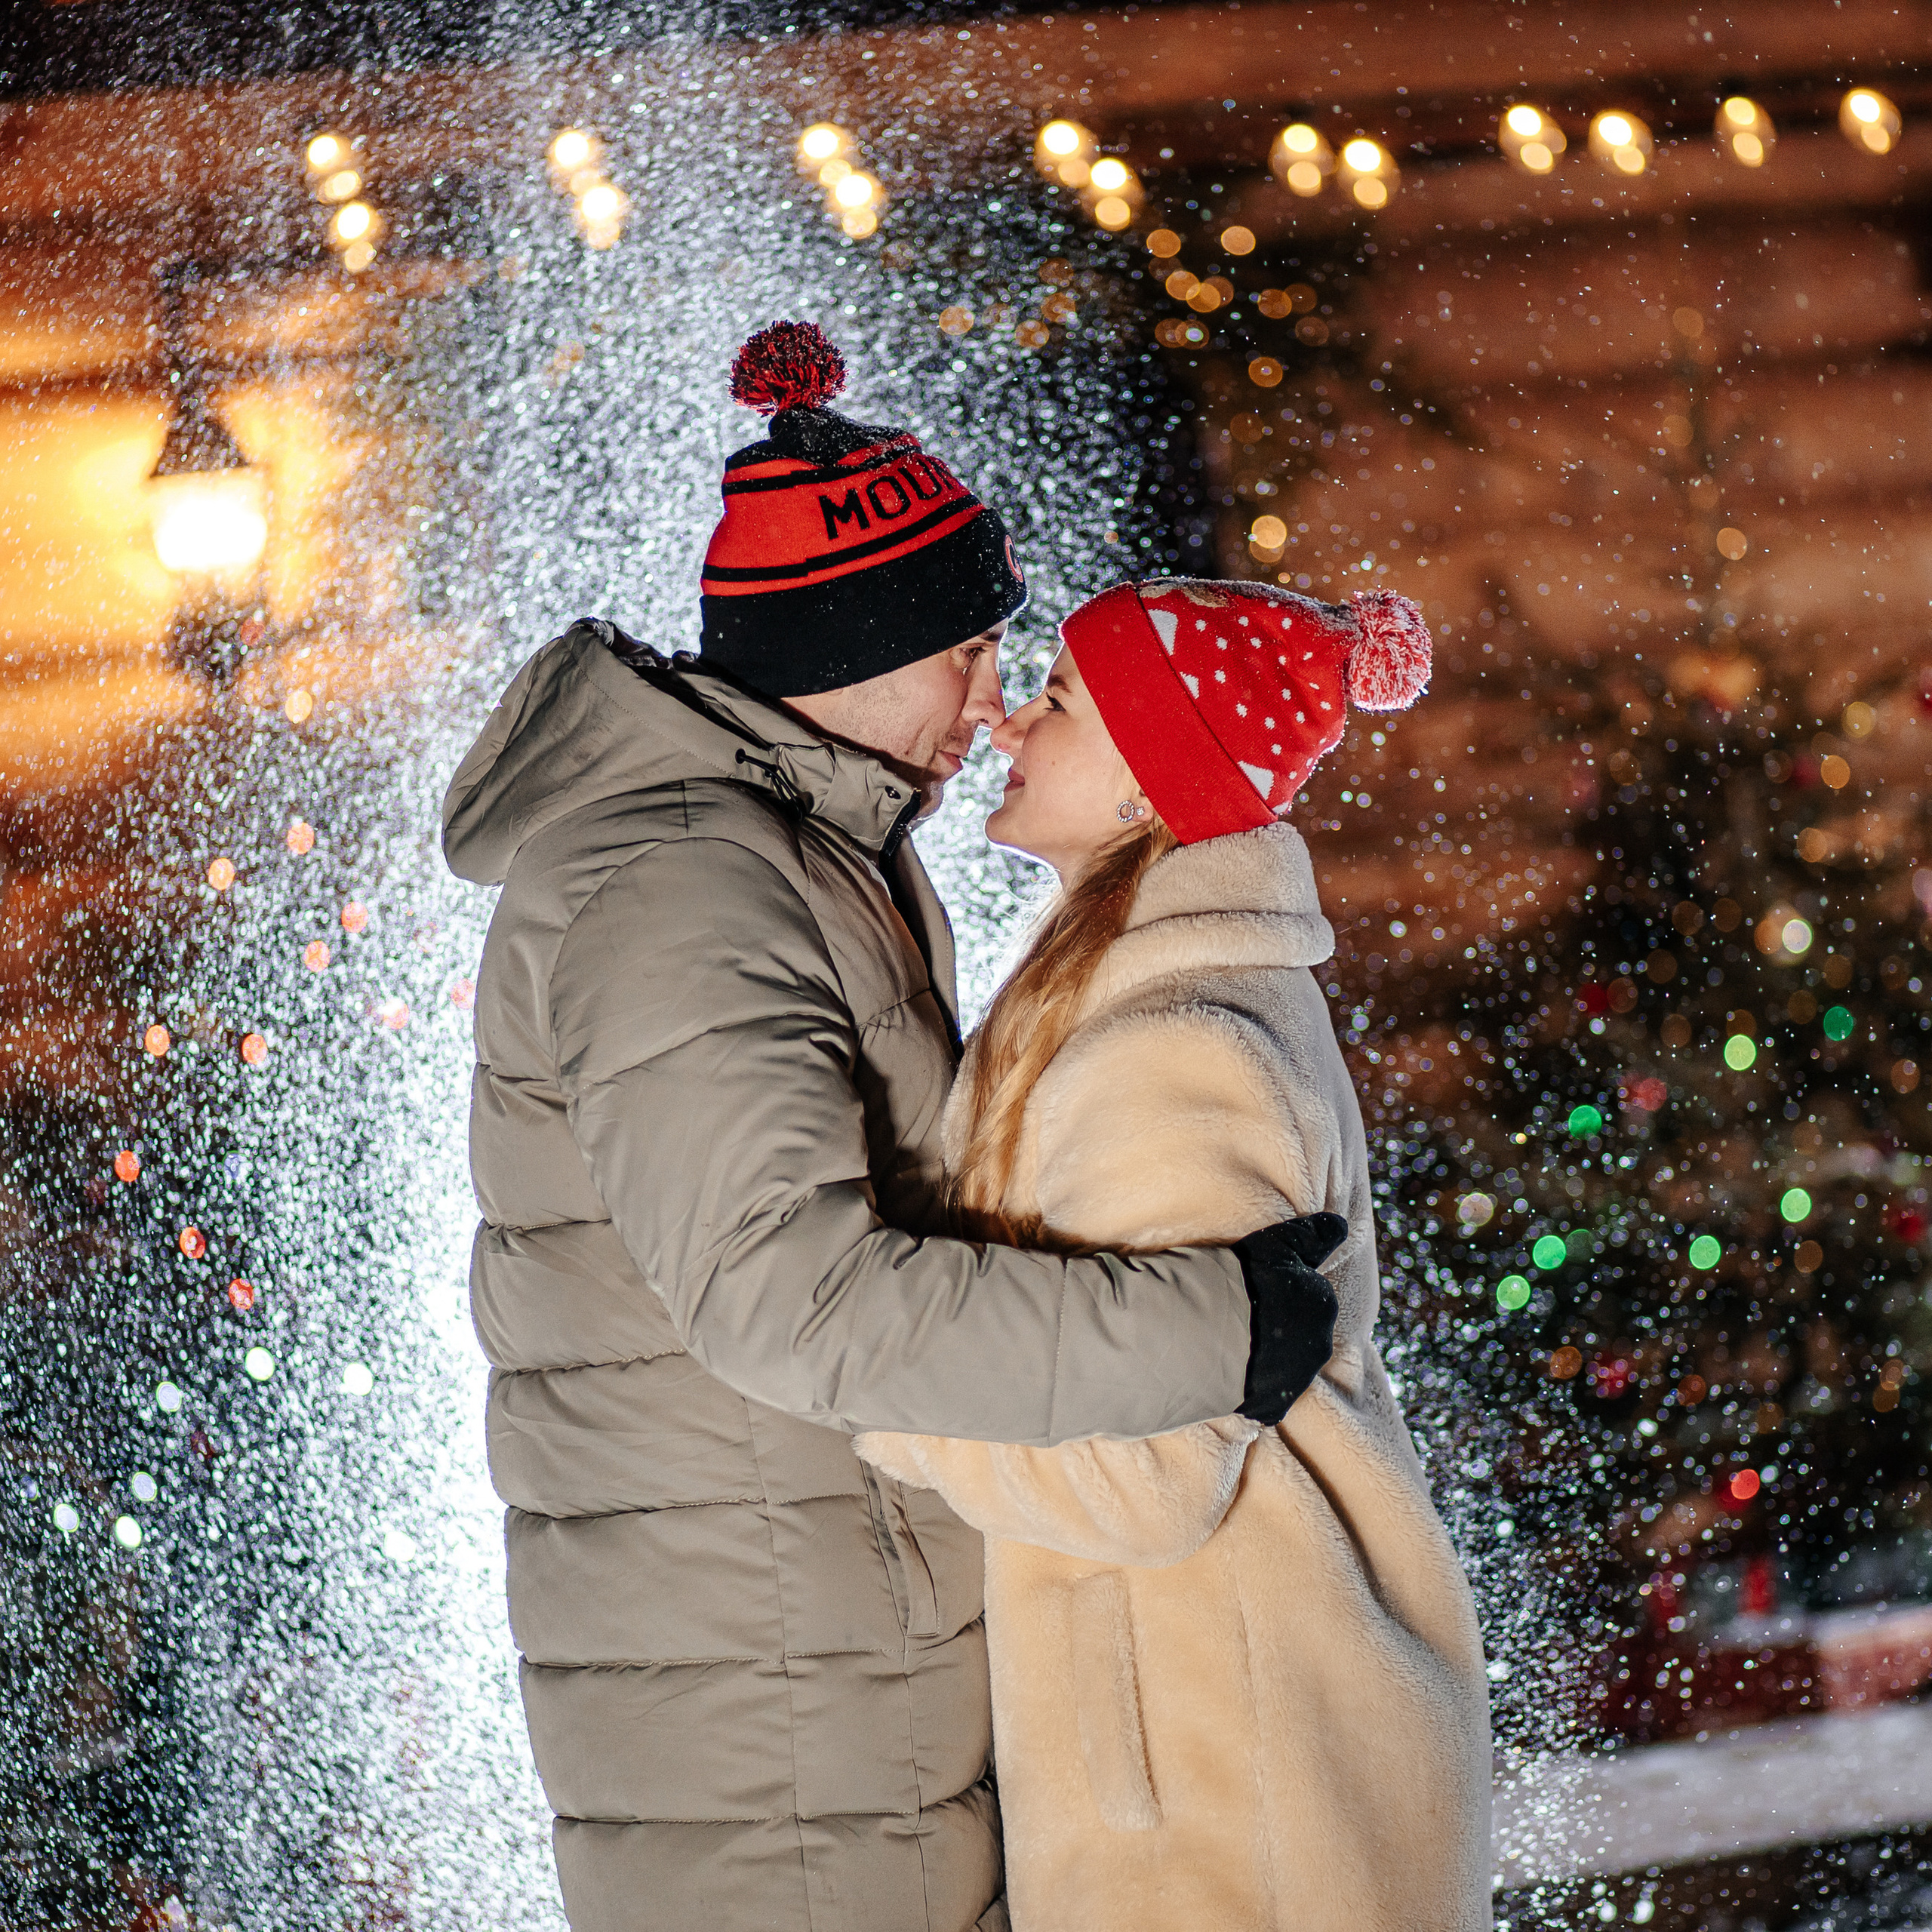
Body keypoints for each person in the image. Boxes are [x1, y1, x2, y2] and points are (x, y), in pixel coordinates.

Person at [441, 323, 1343, 1932]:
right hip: (771, 1723)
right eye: (971, 651)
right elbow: (793, 1296)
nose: (992, 702)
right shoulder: (683, 883)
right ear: (859, 642)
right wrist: (1212, 1331)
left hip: (823, 1668)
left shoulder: (797, 851)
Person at [858, 577, 1494, 1932]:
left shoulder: (1177, 1046)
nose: (1016, 724)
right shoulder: (1131, 999)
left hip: (1236, 1793)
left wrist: (870, 1379)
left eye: (1062, 701)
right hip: (1213, 1746)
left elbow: (1147, 1477)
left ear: (1154, 776)